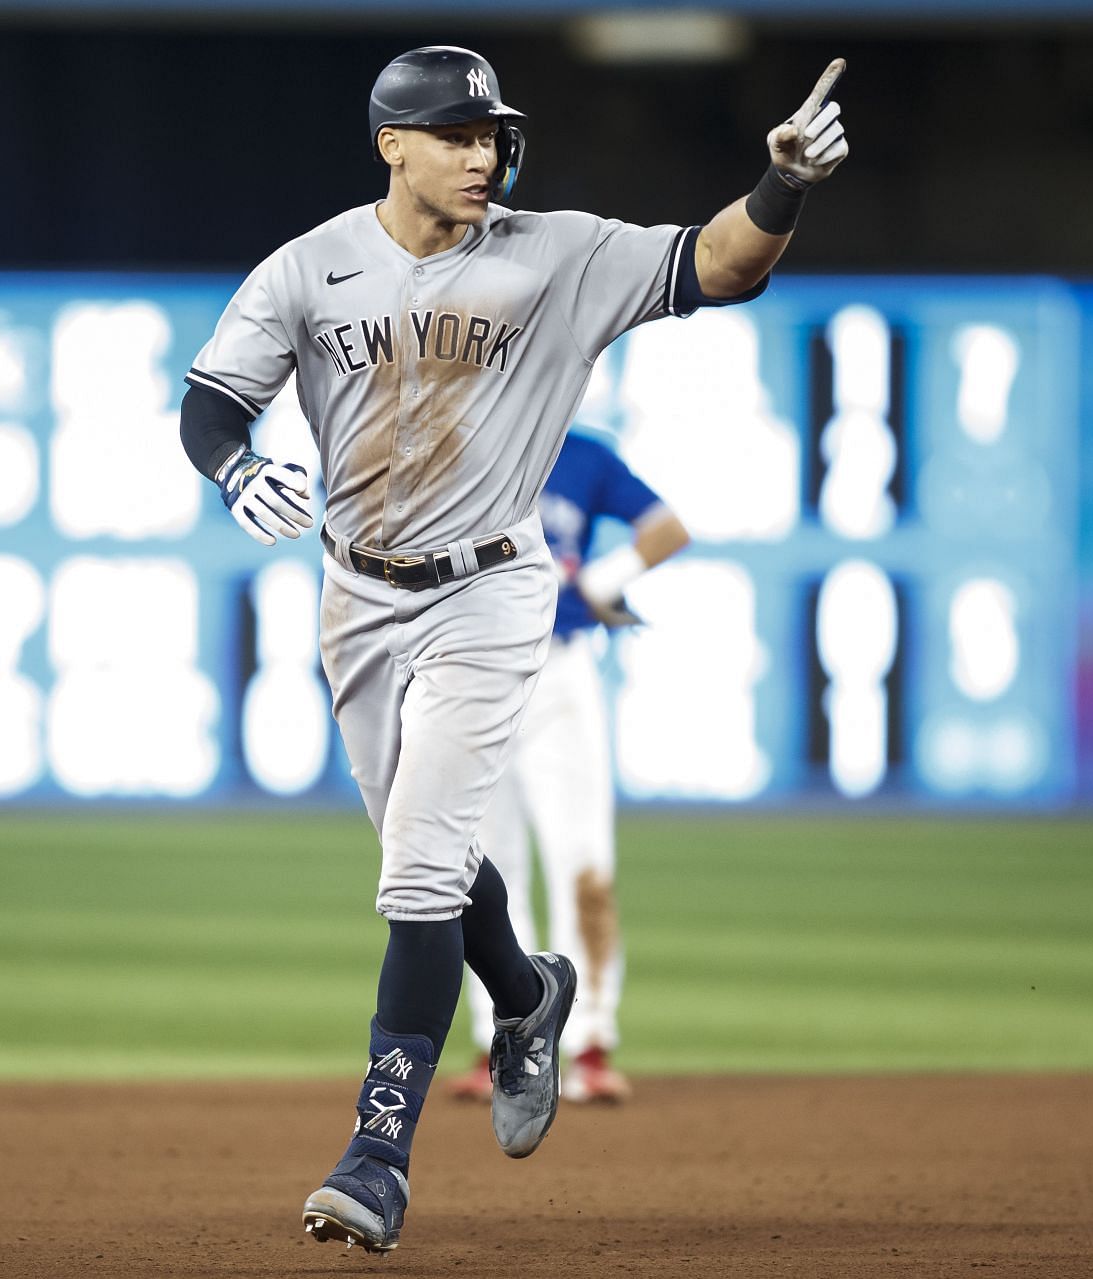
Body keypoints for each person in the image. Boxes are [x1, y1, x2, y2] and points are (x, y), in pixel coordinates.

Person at [177, 44, 849, 1255]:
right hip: (357, 601)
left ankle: (378, 1156)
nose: (485, 153)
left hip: (492, 598)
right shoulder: (310, 267)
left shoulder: (560, 254)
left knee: (418, 874)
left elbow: (719, 264)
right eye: (457, 133)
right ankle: (529, 987)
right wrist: (235, 467)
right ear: (393, 145)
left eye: (493, 134)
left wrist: (781, 189)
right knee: (418, 850)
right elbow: (213, 399)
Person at [447, 427, 690, 1106]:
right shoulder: (464, 437)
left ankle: (588, 1044)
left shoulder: (581, 453)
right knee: (479, 872)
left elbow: (667, 528)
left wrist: (598, 582)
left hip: (559, 672)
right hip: (471, 670)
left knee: (581, 861)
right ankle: (503, 1046)